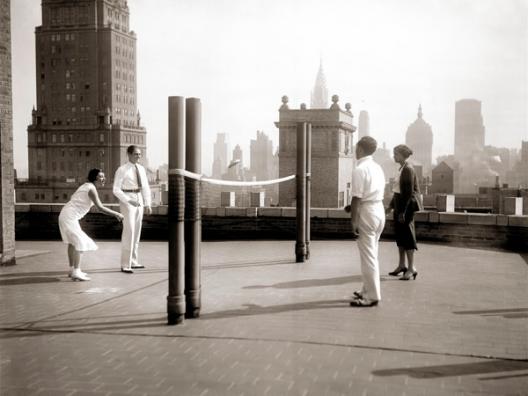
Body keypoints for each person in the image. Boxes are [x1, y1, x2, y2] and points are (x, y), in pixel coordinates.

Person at [59, 169, 124, 281]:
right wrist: (116, 214)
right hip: (69, 217)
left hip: (66, 215)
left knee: (72, 243)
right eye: (101, 177)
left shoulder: (86, 186)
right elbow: (100, 208)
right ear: (94, 178)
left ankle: (72, 270)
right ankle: (76, 271)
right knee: (80, 242)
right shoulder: (91, 189)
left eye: (104, 176)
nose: (104, 179)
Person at [349, 136, 386, 307]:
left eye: (357, 148)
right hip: (378, 211)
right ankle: (366, 289)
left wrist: (353, 221)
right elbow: (371, 193)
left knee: (368, 257)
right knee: (372, 254)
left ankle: (372, 296)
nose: (355, 151)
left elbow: (357, 198)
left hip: (366, 213)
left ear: (361, 149)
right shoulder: (377, 167)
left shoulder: (359, 169)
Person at [113, 145, 152, 273]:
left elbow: (145, 187)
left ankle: (133, 261)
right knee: (129, 231)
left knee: (137, 231)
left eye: (140, 154)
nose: (138, 156)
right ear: (128, 155)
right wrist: (128, 200)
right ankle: (125, 264)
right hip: (127, 200)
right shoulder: (122, 170)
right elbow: (116, 190)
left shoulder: (141, 169)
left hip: (139, 198)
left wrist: (148, 203)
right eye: (136, 154)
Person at [387, 144, 423, 281]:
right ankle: (402, 265)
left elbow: (408, 193)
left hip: (405, 206)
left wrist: (403, 211)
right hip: (399, 205)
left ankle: (411, 268)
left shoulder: (408, 169)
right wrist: (391, 206)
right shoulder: (401, 168)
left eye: (395, 154)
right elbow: (397, 190)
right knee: (400, 236)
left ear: (402, 155)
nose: (394, 156)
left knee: (407, 236)